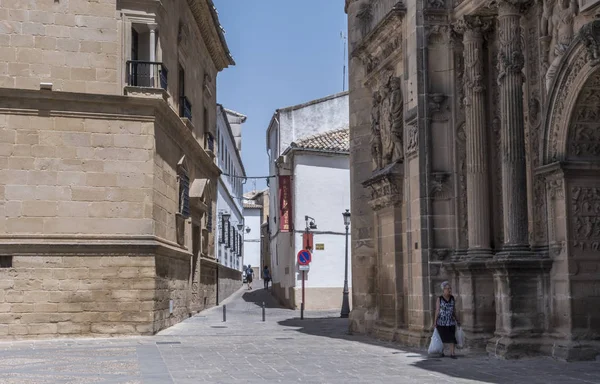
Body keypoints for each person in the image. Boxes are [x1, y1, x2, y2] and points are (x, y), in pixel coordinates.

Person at [433, 281, 460, 358]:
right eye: (447, 288)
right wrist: (435, 322)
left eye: (450, 288)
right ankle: (441, 352)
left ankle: (452, 353)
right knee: (442, 338)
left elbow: (453, 310)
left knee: (452, 337)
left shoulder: (452, 298)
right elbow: (437, 310)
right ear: (443, 289)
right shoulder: (440, 299)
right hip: (441, 322)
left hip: (450, 321)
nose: (449, 290)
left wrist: (457, 319)